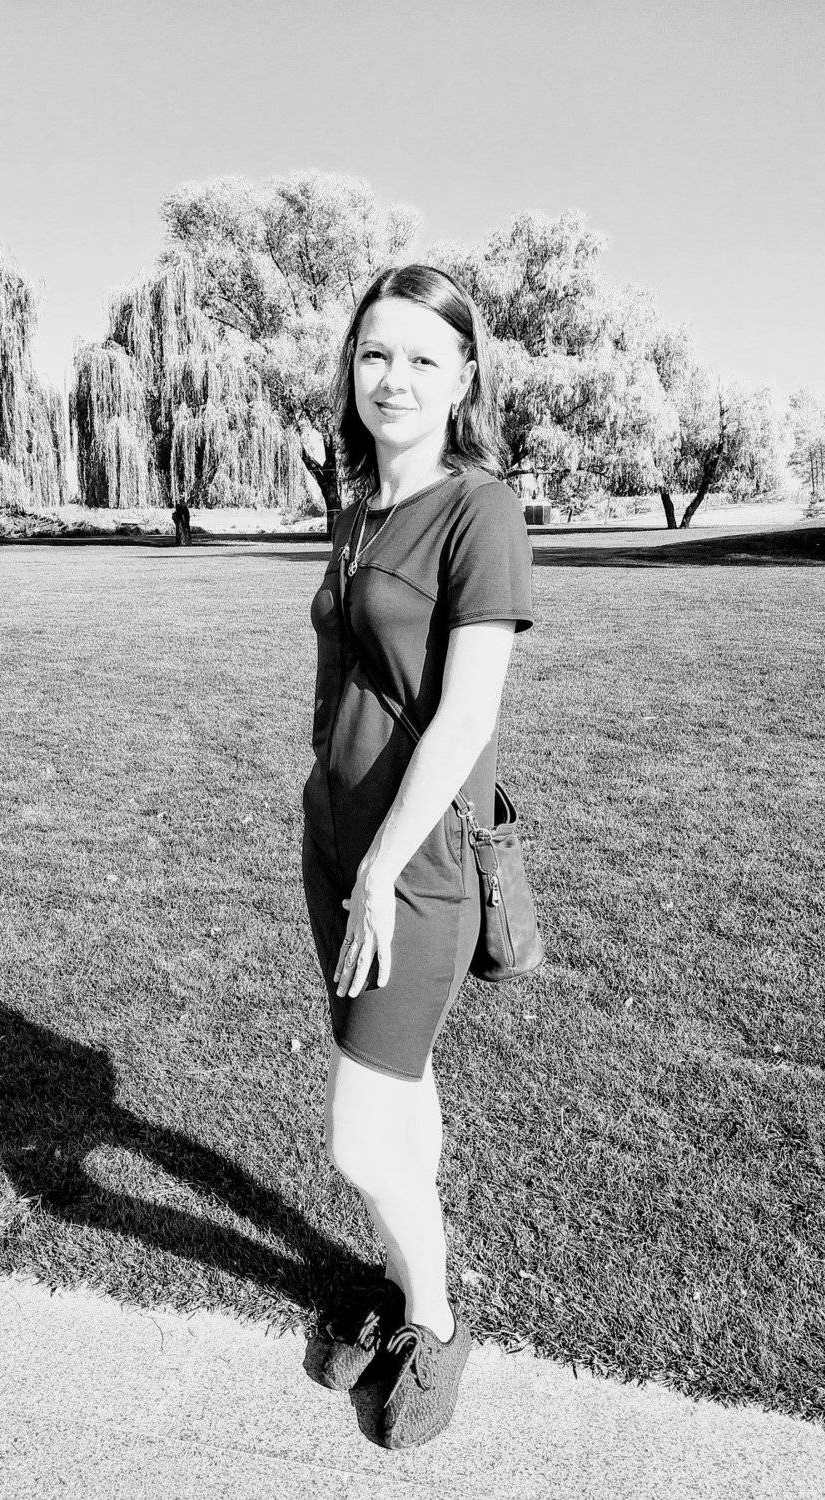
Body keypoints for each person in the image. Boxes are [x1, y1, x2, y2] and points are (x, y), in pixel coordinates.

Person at [300, 263, 535, 1449]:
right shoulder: (357, 511)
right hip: (335, 842)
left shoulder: (479, 509)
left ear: (463, 377)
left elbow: (464, 717)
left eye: (422, 358)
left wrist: (382, 869)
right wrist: (340, 838)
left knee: (356, 1136)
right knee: (401, 1081)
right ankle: (402, 1279)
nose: (393, 378)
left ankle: (431, 1319)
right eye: (375, 353)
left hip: (415, 861)